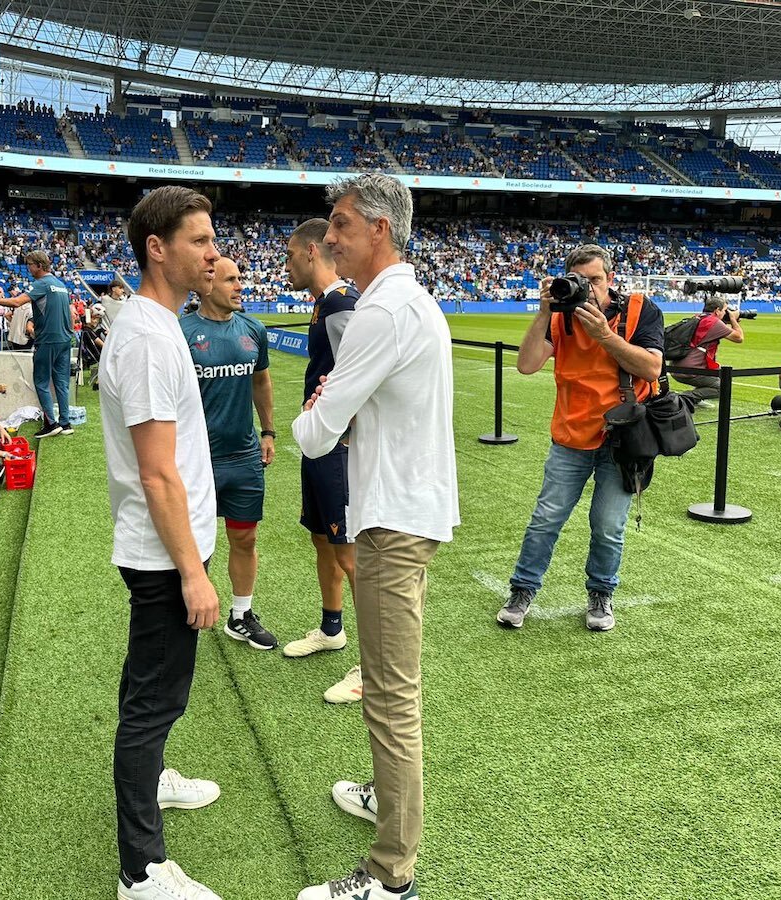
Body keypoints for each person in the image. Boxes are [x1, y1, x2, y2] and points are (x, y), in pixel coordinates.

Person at [292, 173, 458, 900]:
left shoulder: (382, 313)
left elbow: (314, 430)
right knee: (391, 687)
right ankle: (386, 803)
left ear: (380, 229)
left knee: (390, 697)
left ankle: (391, 876)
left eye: (340, 224)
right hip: (401, 510)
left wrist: (322, 405)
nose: (329, 238)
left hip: (393, 519)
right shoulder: (402, 302)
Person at [99, 186, 223, 900]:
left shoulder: (158, 321)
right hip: (161, 552)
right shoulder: (147, 336)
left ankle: (155, 778)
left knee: (150, 687)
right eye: (200, 240)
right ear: (158, 248)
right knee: (154, 702)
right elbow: (156, 472)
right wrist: (192, 573)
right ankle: (140, 870)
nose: (212, 252)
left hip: (167, 545)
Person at [498, 243, 664, 634]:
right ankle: (522, 590)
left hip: (622, 437)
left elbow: (652, 367)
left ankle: (601, 593)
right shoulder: (559, 316)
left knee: (608, 525)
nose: (589, 289)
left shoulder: (641, 310)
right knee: (545, 519)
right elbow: (526, 365)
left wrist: (605, 335)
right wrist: (543, 313)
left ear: (611, 279)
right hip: (571, 434)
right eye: (580, 281)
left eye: (596, 280)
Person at [282, 216, 362, 704]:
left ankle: (372, 668)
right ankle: (332, 628)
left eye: (290, 256)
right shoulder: (323, 306)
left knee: (351, 554)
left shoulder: (341, 304)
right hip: (321, 442)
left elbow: (363, 375)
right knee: (321, 539)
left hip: (339, 445)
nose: (285, 266)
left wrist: (344, 432)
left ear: (312, 252)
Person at [179, 256, 278, 651]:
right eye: (231, 279)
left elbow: (262, 382)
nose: (240, 286)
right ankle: (184, 612)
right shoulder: (181, 332)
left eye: (241, 279)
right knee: (191, 545)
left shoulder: (253, 329)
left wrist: (268, 431)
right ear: (207, 284)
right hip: (196, 461)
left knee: (245, 539)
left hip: (244, 458)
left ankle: (241, 614)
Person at [0, 251, 75, 438]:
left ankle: (52, 424)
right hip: (65, 339)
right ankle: (65, 422)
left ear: (39, 266)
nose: (28, 269)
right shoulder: (61, 285)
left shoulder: (41, 284)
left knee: (41, 382)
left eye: (30, 265)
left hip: (48, 340)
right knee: (61, 383)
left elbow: (18, 302)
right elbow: (71, 315)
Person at [671, 297, 745, 412]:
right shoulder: (714, 323)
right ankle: (684, 398)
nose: (726, 313)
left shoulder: (698, 317)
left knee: (718, 371)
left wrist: (725, 322)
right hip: (690, 370)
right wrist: (733, 319)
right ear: (717, 311)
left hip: (676, 366)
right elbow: (739, 338)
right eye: (725, 310)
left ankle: (696, 398)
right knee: (724, 387)